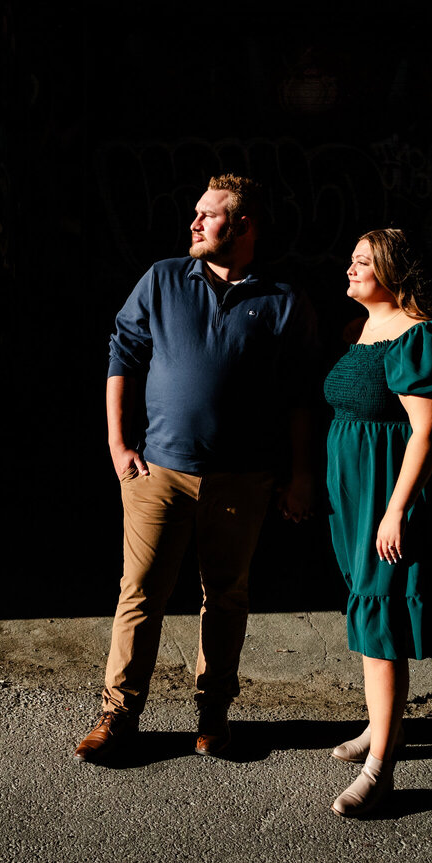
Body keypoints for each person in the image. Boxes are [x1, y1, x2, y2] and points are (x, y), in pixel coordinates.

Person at [74, 174, 317, 763]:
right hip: (159, 471)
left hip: (244, 477)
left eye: (208, 215)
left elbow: (302, 396)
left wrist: (302, 473)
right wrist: (116, 444)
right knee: (140, 594)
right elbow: (122, 355)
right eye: (195, 214)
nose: (195, 223)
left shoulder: (282, 300)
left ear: (243, 226)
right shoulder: (162, 279)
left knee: (226, 596)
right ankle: (118, 714)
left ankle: (213, 713)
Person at [322, 228, 432, 816]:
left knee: (381, 624)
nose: (349, 270)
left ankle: (382, 768)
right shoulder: (364, 330)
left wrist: (396, 509)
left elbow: (430, 431)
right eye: (351, 259)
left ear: (392, 272)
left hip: (387, 498)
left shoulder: (418, 336)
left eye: (362, 262)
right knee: (365, 608)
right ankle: (385, 728)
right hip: (355, 498)